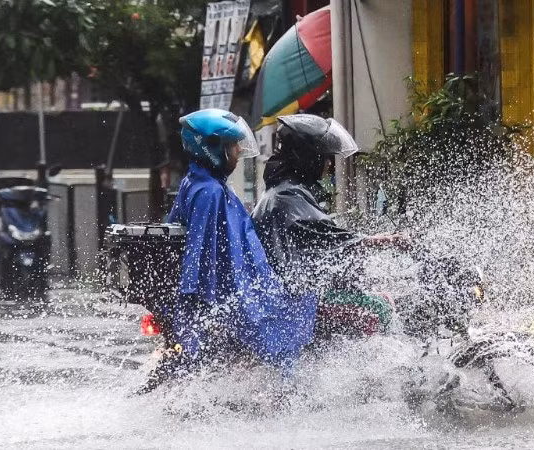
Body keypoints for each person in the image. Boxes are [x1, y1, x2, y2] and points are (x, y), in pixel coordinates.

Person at [139, 109, 316, 393]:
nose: (238, 151)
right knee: (295, 315)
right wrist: (207, 303)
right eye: (232, 145)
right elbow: (201, 254)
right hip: (237, 293)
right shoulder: (209, 192)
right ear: (212, 149)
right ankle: (288, 396)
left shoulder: (201, 184)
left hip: (241, 287)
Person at [251, 114, 406, 335]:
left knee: (380, 298)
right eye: (325, 157)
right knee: (375, 311)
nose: (330, 164)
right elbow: (329, 238)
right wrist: (384, 241)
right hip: (293, 304)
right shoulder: (287, 195)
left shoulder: (286, 189)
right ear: (309, 158)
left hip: (294, 296)